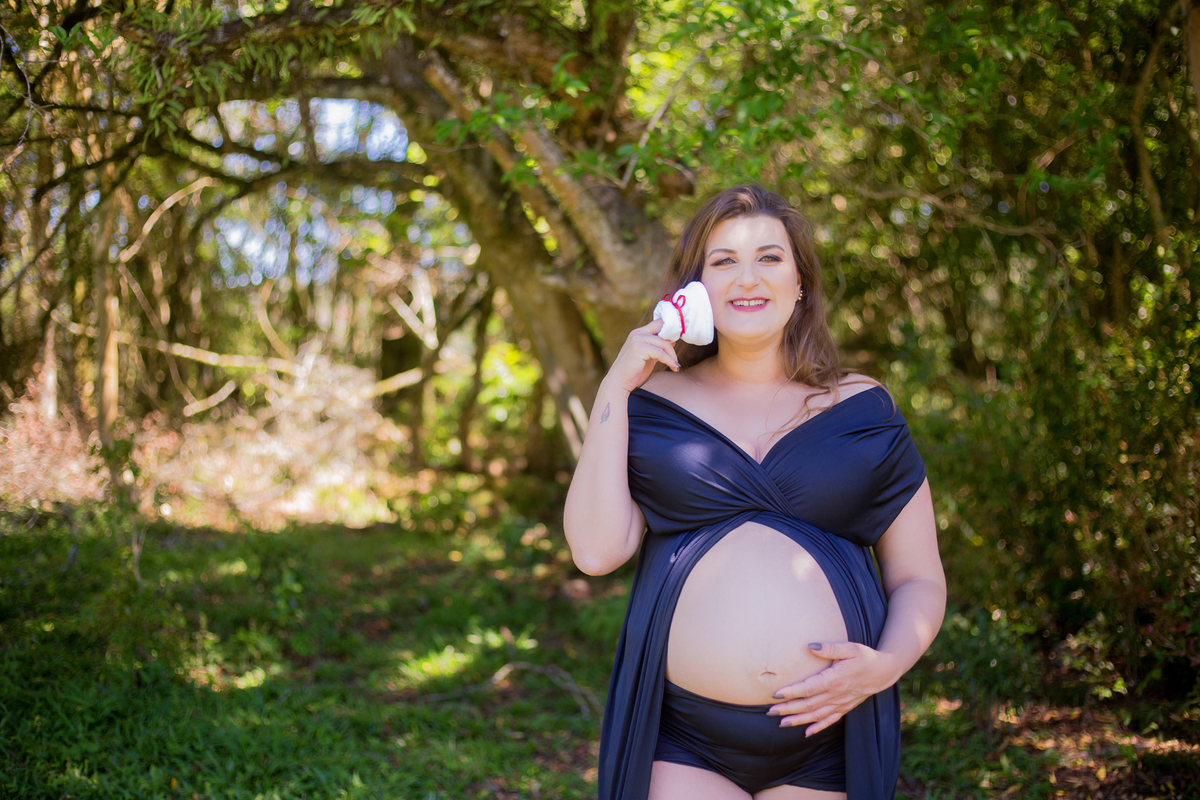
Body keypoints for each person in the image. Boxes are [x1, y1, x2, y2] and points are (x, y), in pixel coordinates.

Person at [563, 185, 946, 800]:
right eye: (723, 261)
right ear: (692, 292)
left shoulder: (861, 407)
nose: (748, 277)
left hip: (831, 736)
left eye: (770, 258)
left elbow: (919, 576)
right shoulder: (651, 407)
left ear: (800, 285)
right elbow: (596, 552)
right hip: (683, 739)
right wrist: (614, 387)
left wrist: (888, 665)